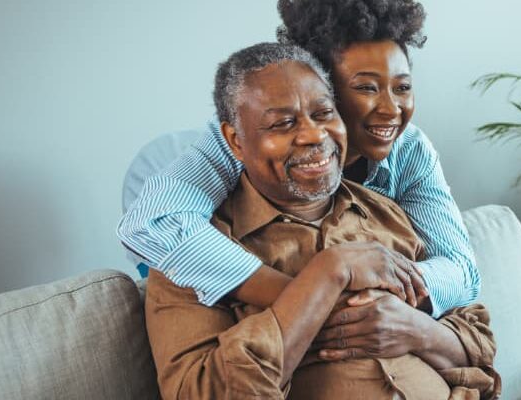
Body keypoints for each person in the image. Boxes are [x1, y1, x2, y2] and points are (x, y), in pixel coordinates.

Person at [145, 42, 498, 399]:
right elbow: (203, 393)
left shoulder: (385, 210)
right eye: (283, 123)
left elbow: (477, 345)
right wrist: (328, 274)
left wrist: (413, 329)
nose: (314, 134)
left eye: (324, 113)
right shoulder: (189, 259)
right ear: (235, 141)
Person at [117, 0, 479, 327]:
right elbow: (152, 222)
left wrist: (379, 304)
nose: (391, 110)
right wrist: (312, 298)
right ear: (320, 85)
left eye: (402, 88)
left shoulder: (411, 149)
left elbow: (461, 271)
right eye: (367, 88)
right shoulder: (242, 138)